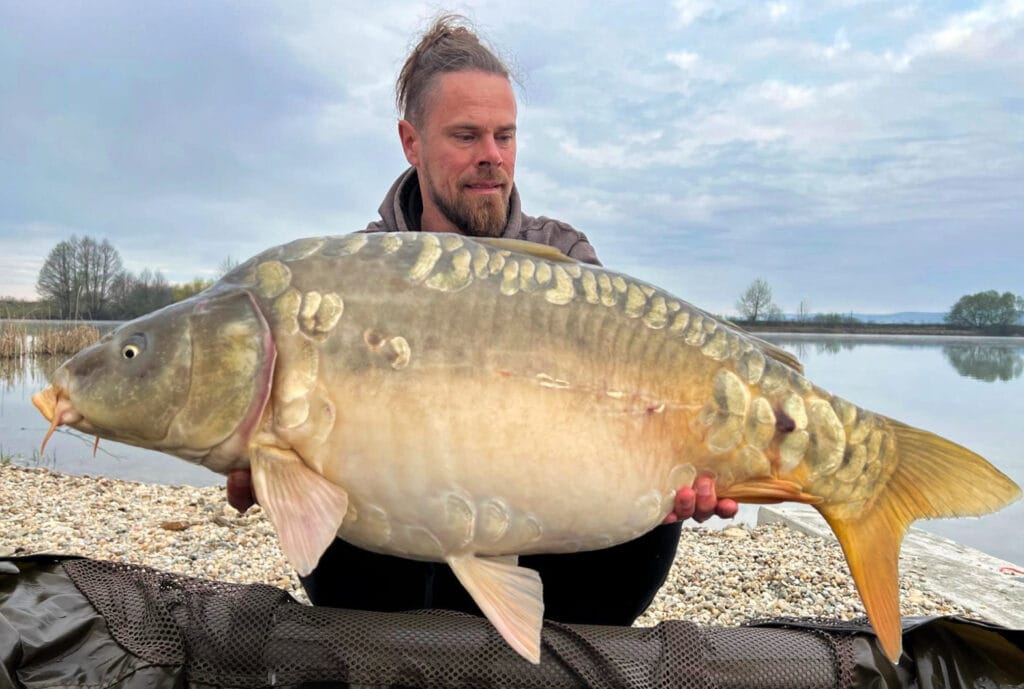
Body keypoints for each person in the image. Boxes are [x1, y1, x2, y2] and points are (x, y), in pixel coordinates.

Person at [227, 13, 737, 626]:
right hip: (396, 569)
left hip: (559, 549)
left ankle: (555, 651)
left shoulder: (567, 259)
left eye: (506, 136)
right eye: (467, 137)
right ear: (411, 142)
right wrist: (263, 459)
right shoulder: (350, 280)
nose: (492, 157)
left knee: (656, 499)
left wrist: (696, 465)